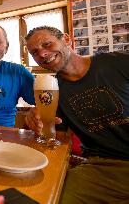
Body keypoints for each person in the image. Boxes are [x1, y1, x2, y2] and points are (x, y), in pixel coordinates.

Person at [24, 26, 129, 203]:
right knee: (52, 197)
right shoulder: (53, 90)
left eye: (47, 44)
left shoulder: (117, 62)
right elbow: (57, 137)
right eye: (35, 52)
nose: (42, 54)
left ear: (66, 39)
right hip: (103, 167)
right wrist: (35, 123)